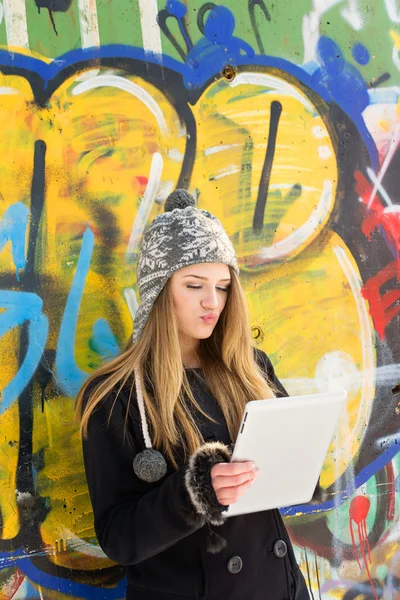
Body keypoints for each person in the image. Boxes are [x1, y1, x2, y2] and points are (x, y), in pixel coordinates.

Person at [76, 189, 323, 600]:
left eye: (223, 286)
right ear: (157, 291)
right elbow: (119, 540)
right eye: (194, 285)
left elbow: (291, 486)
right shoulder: (114, 397)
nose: (213, 302)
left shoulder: (251, 368)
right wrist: (194, 494)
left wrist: (303, 460)